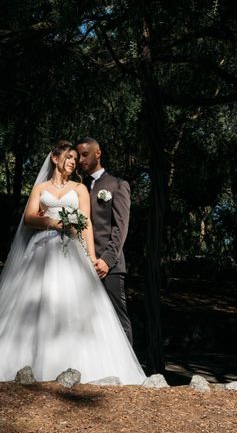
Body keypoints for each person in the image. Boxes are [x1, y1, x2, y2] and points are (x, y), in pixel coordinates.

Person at [0, 141, 145, 384]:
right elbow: (28, 218)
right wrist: (53, 223)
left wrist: (91, 258)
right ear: (55, 158)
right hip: (41, 250)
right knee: (33, 302)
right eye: (68, 157)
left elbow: (86, 223)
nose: (73, 161)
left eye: (74, 158)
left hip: (70, 251)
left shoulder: (79, 189)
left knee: (70, 304)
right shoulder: (40, 188)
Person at [76, 137, 133, 345]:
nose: (81, 159)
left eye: (85, 154)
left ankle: (129, 374)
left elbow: (121, 228)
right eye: (78, 155)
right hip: (81, 264)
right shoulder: (78, 187)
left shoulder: (117, 185)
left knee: (118, 319)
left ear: (97, 153)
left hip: (109, 265)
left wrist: (107, 261)